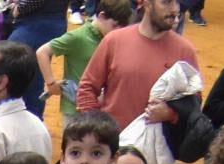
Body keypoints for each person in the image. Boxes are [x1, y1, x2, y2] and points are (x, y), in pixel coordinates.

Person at [75, 0, 196, 129]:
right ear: (148, 4)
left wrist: (171, 113)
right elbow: (87, 88)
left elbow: (194, 103)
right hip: (115, 142)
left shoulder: (185, 51)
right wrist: (97, 129)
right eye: (166, 2)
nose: (174, 9)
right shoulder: (114, 41)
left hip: (160, 146)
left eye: (176, 3)